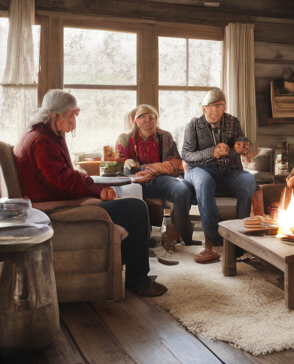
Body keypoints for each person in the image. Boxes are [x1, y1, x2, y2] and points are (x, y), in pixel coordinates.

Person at [14, 89, 167, 297]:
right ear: (55, 115)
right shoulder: (42, 141)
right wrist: (96, 188)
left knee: (130, 205)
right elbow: (62, 179)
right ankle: (138, 280)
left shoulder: (44, 135)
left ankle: (121, 268)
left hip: (56, 199)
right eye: (71, 117)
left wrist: (91, 184)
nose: (74, 124)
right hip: (55, 208)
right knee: (137, 208)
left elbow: (61, 175)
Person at [181, 88, 257, 263]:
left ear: (224, 106)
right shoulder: (193, 126)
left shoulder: (233, 122)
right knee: (204, 181)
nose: (214, 111)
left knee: (248, 181)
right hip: (200, 170)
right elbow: (187, 156)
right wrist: (212, 152)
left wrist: (243, 146)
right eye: (210, 106)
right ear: (204, 107)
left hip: (230, 172)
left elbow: (242, 142)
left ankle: (239, 236)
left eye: (219, 106)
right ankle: (214, 239)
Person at [116, 104, 199, 245]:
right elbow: (122, 166)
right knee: (132, 193)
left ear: (157, 120)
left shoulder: (165, 136)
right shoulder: (125, 138)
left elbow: (175, 164)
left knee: (183, 191)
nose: (148, 120)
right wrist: (157, 167)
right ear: (136, 121)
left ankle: (185, 236)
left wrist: (146, 168)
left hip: (162, 178)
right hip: (138, 180)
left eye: (152, 117)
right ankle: (144, 238)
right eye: (142, 117)